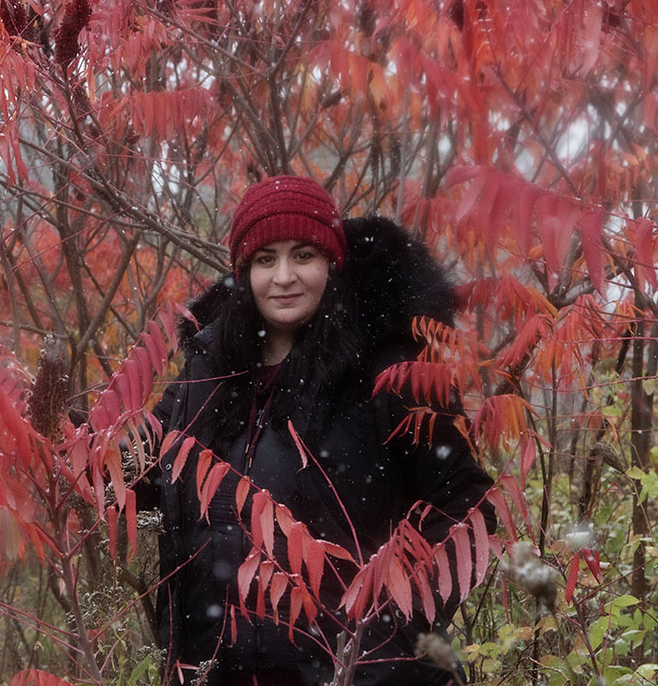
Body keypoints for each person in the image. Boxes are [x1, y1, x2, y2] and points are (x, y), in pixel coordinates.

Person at [146, 176, 496, 686]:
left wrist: (388, 634)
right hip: (216, 670)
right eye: (265, 259)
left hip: (351, 670)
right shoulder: (209, 369)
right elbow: (156, 478)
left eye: (303, 255)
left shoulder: (393, 371)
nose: (283, 277)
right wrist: (98, 458)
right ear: (243, 273)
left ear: (331, 263)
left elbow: (466, 507)